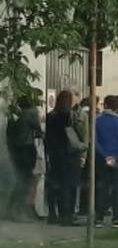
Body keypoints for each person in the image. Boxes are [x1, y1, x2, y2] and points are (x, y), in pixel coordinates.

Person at [45, 90, 85, 226]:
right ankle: (67, 215)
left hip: (55, 155)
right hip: (69, 155)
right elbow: (80, 134)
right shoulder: (70, 116)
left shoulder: (50, 115)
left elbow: (48, 137)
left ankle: (52, 214)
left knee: (55, 184)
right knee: (69, 186)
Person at [6, 92, 43, 221]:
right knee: (26, 180)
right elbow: (38, 130)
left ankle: (11, 209)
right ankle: (20, 211)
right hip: (27, 149)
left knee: (19, 179)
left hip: (16, 150)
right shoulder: (31, 113)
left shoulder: (16, 115)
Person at [95, 95, 118, 228]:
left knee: (101, 187)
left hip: (101, 158)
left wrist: (105, 156)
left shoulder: (98, 121)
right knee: (116, 188)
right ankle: (116, 218)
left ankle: (99, 218)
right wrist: (115, 157)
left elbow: (95, 141)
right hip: (117, 159)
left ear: (106, 105)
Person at [77, 96, 100, 216]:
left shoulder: (81, 113)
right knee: (91, 179)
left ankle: (83, 207)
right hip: (91, 149)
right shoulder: (92, 115)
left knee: (86, 180)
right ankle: (89, 207)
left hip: (86, 148)